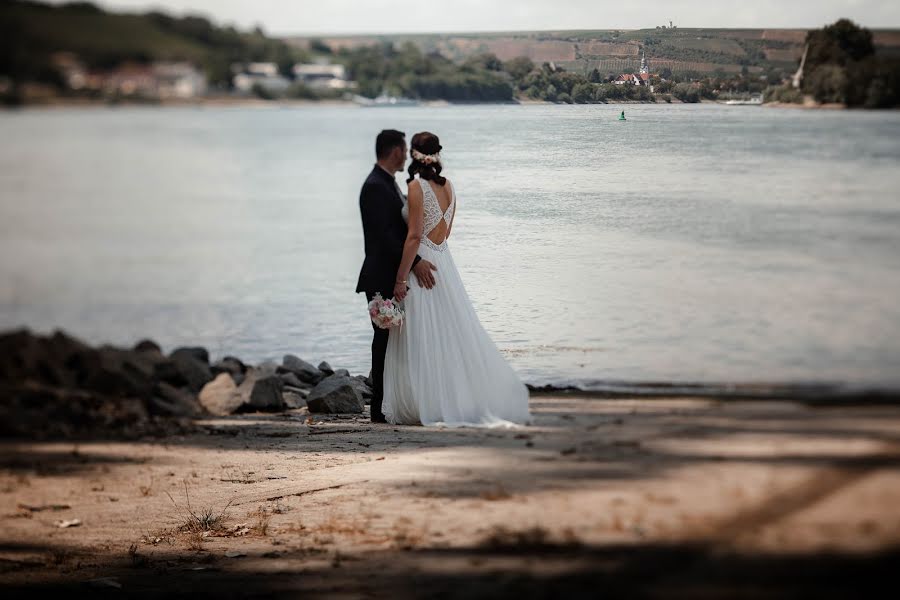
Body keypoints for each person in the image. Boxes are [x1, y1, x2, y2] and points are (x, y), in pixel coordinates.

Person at [382, 131, 531, 427]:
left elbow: (413, 237)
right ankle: (451, 396)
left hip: (422, 264)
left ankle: (427, 400)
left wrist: (401, 278)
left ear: (414, 154)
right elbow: (446, 232)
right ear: (437, 155)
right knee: (448, 333)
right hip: (444, 262)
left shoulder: (415, 187)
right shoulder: (449, 187)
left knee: (423, 334)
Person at [356, 129, 438, 423]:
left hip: (391, 273)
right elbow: (386, 236)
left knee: (392, 339)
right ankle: (378, 406)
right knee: (383, 339)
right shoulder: (375, 186)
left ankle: (391, 399)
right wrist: (415, 261)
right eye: (403, 150)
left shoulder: (387, 182)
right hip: (380, 275)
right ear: (393, 151)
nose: (406, 155)